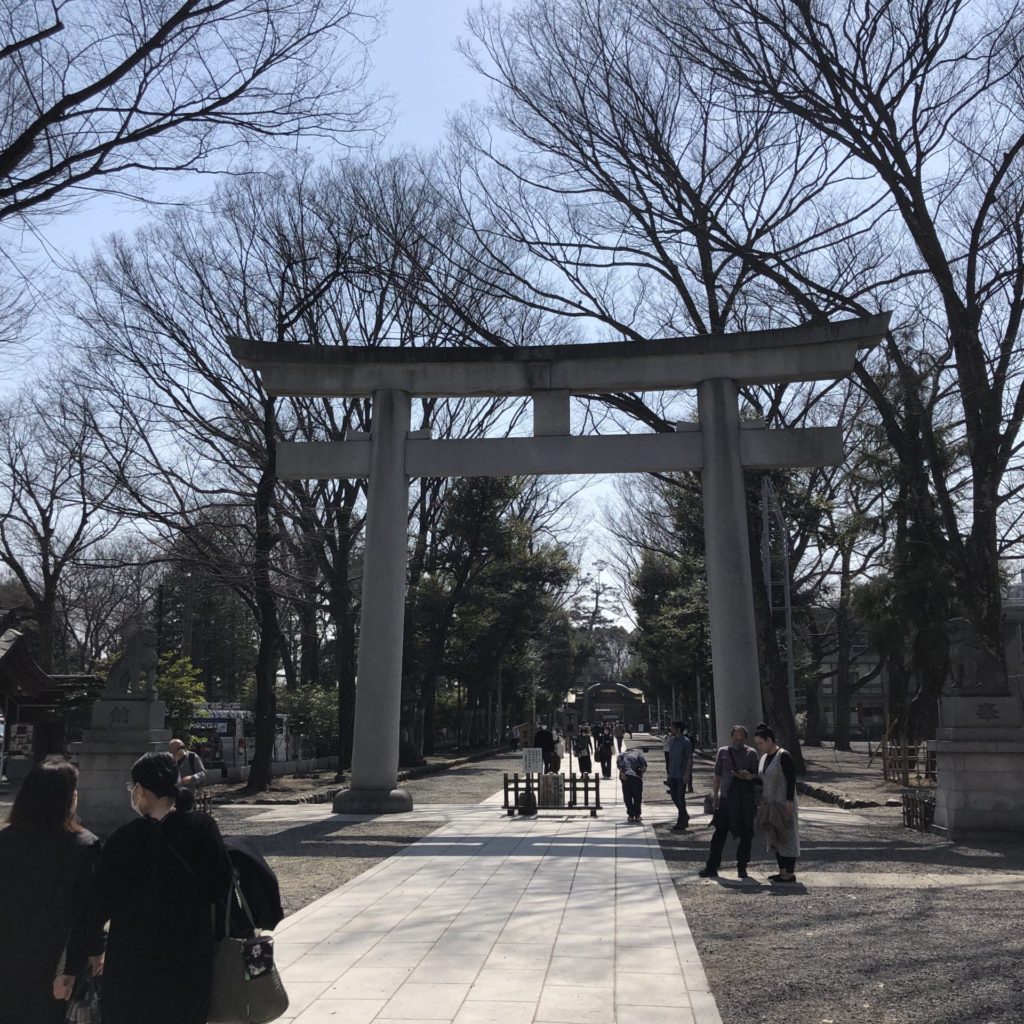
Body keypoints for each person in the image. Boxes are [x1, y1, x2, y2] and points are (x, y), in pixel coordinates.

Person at [96, 751, 233, 1024]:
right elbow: (221, 882)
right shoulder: (202, 827)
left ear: (142, 790)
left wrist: (91, 947)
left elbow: (100, 897)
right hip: (189, 947)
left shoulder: (124, 838)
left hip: (132, 953)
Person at [0, 761, 104, 1024]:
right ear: (68, 797)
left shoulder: (5, 841)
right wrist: (91, 953)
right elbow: (88, 912)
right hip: (57, 960)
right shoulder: (83, 846)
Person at [699, 725, 759, 879]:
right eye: (735, 738)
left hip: (744, 800)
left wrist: (748, 776)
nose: (738, 741)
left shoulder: (751, 753)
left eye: (741, 739)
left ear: (745, 739)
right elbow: (717, 775)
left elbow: (758, 777)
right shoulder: (723, 752)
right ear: (731, 736)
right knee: (719, 834)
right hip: (726, 798)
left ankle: (742, 866)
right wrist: (715, 795)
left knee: (746, 835)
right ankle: (712, 867)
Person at [752, 723, 800, 883]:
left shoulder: (783, 755)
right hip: (770, 802)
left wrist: (789, 800)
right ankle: (782, 871)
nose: (759, 747)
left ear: (770, 740)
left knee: (787, 835)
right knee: (774, 835)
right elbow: (763, 779)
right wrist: (749, 777)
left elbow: (791, 778)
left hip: (783, 802)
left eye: (761, 743)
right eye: (757, 744)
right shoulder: (764, 758)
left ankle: (790, 872)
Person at [665, 721, 693, 832]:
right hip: (672, 773)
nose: (671, 729)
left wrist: (687, 773)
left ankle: (681, 821)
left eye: (673, 727)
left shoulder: (686, 742)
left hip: (681, 774)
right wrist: (668, 775)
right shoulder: (671, 742)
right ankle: (685, 815)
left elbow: (689, 759)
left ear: (679, 729)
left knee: (680, 798)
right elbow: (670, 759)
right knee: (674, 796)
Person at [168, 736, 207, 810]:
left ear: (181, 750)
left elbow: (203, 773)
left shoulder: (192, 757)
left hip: (188, 796)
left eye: (173, 752)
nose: (172, 754)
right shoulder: (169, 759)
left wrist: (193, 777)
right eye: (170, 751)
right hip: (172, 797)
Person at [616, 745, 647, 823]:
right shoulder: (638, 754)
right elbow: (644, 765)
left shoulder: (621, 755)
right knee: (637, 797)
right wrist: (640, 774)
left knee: (627, 797)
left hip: (625, 777)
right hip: (636, 777)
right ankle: (637, 815)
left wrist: (622, 773)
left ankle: (630, 815)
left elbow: (619, 766)